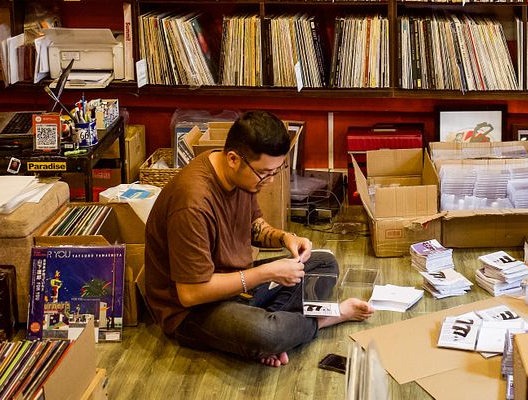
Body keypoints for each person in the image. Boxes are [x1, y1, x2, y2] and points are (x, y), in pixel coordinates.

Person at [144, 110, 372, 366]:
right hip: (191, 311)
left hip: (236, 284)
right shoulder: (192, 202)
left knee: (324, 263)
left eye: (276, 171)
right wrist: (267, 273)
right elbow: (191, 293)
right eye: (265, 173)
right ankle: (323, 319)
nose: (270, 181)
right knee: (266, 333)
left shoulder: (241, 176)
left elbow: (254, 226)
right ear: (233, 159)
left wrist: (285, 238)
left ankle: (269, 334)